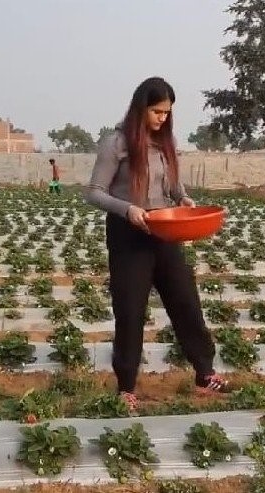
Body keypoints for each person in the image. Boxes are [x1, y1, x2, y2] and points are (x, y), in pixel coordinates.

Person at [83, 76, 227, 412]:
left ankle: (205, 374)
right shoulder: (116, 143)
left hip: (164, 232)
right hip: (129, 235)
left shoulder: (165, 143)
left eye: (167, 112)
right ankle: (126, 387)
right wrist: (128, 210)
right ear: (140, 108)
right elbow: (93, 192)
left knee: (186, 302)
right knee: (131, 312)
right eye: (157, 111)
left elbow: (173, 188)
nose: (163, 118)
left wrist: (186, 200)